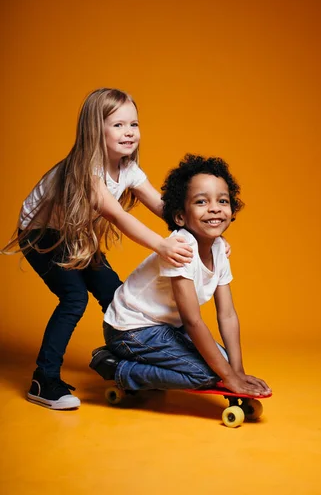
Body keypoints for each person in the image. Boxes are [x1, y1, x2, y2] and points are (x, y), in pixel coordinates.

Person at [1, 88, 194, 410]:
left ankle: (130, 364)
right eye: (118, 125)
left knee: (116, 296)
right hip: (41, 235)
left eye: (134, 124)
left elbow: (163, 207)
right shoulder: (85, 171)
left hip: (75, 235)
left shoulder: (128, 169)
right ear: (95, 130)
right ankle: (43, 379)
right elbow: (116, 215)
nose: (129, 132)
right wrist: (162, 245)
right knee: (73, 298)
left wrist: (200, 233)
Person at [90, 154, 270, 397]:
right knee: (208, 374)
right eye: (201, 202)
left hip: (166, 327)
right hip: (131, 329)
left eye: (223, 201)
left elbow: (226, 314)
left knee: (225, 362)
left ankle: (158, 367)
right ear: (180, 217)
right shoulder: (181, 248)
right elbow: (193, 320)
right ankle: (118, 367)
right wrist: (228, 377)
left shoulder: (218, 248)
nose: (215, 208)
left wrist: (237, 372)